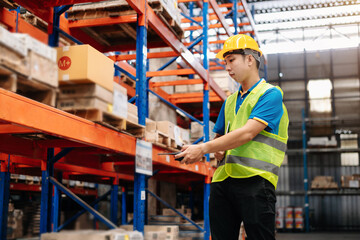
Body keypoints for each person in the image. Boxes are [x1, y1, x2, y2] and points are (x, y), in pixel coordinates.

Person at [175, 34, 289, 240]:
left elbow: (247, 132)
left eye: (231, 60)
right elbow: (219, 134)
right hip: (223, 180)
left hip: (255, 180)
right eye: (225, 62)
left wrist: (202, 149)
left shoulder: (270, 94)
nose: (227, 67)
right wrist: (216, 148)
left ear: (249, 59)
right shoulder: (230, 102)